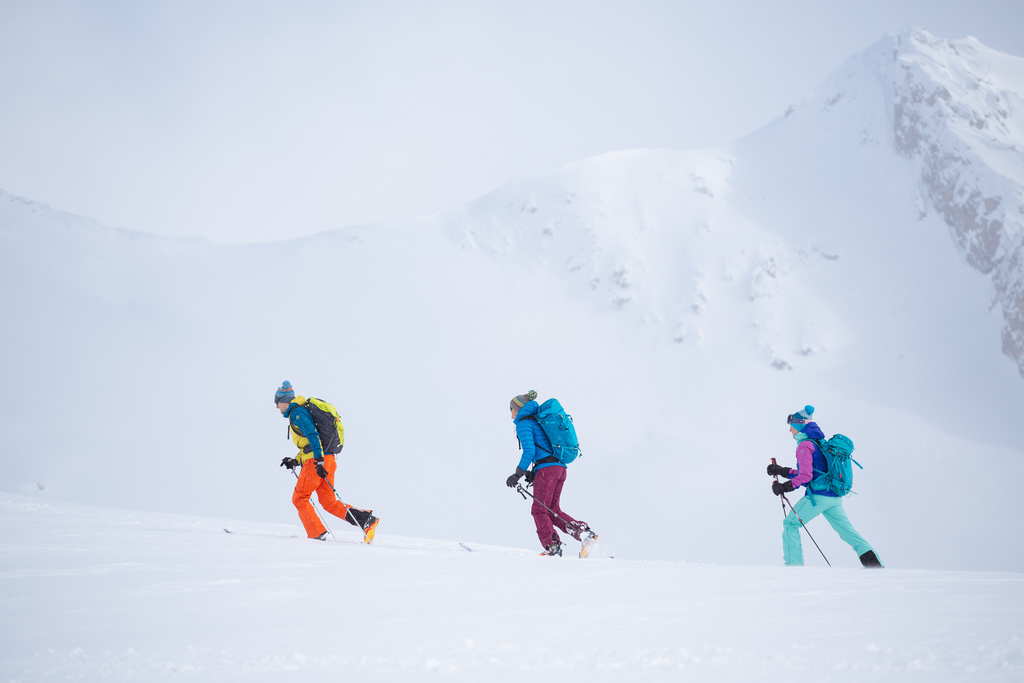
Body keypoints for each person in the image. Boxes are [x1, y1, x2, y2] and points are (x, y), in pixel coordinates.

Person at [768, 405, 882, 567]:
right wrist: (782, 471)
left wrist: (785, 487)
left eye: (791, 426)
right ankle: (875, 565)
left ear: (799, 425)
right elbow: (815, 472)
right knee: (848, 532)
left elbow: (806, 477)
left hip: (818, 497)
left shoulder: (804, 446)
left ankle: (793, 569)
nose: (790, 430)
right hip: (834, 497)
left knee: (790, 524)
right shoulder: (819, 442)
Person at [274, 381, 379, 542]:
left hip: (317, 462)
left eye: (277, 402)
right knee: (328, 502)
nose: (276, 406)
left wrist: (318, 461)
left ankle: (317, 534)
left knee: (300, 498)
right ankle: (366, 520)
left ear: (284, 401)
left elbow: (313, 435)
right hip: (328, 460)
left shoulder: (297, 413)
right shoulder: (300, 411)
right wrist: (296, 461)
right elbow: (310, 445)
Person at [505, 390, 595, 556]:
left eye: (510, 409)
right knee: (552, 510)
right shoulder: (536, 420)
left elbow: (529, 451)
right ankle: (583, 534)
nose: (510, 414)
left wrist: (517, 474)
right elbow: (542, 448)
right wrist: (534, 472)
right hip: (559, 468)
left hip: (547, 470)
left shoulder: (523, 423)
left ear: (517, 409)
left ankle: (552, 546)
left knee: (539, 510)